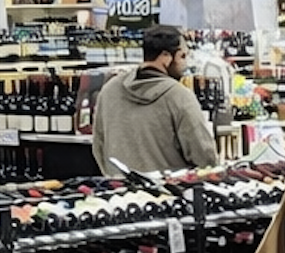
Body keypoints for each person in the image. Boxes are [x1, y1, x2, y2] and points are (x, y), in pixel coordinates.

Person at [91, 24, 222, 175]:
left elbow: (99, 146)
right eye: (182, 56)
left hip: (121, 193)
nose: (185, 64)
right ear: (165, 56)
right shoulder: (179, 96)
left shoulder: (110, 89)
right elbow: (204, 156)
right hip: (171, 193)